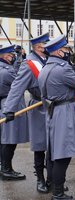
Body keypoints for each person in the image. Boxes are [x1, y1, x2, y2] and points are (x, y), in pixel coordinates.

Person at [38, 35, 75, 200]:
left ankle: (54, 185)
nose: (68, 52)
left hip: (53, 112)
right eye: (66, 49)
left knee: (53, 151)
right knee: (63, 154)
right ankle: (58, 193)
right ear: (59, 52)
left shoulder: (45, 68)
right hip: (65, 111)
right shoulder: (63, 68)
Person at [3, 33, 50, 192]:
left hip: (53, 106)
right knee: (40, 144)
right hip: (38, 106)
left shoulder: (49, 60)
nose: (49, 46)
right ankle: (40, 179)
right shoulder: (29, 63)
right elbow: (17, 87)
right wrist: (9, 109)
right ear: (38, 46)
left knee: (54, 144)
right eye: (46, 44)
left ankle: (53, 179)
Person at [0, 45, 29, 180]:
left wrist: (18, 58)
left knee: (6, 139)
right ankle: (6, 170)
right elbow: (20, 79)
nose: (11, 55)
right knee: (9, 140)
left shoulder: (4, 67)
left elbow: (16, 72)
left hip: (5, 104)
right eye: (9, 54)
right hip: (10, 104)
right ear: (2, 55)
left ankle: (5, 167)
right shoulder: (6, 71)